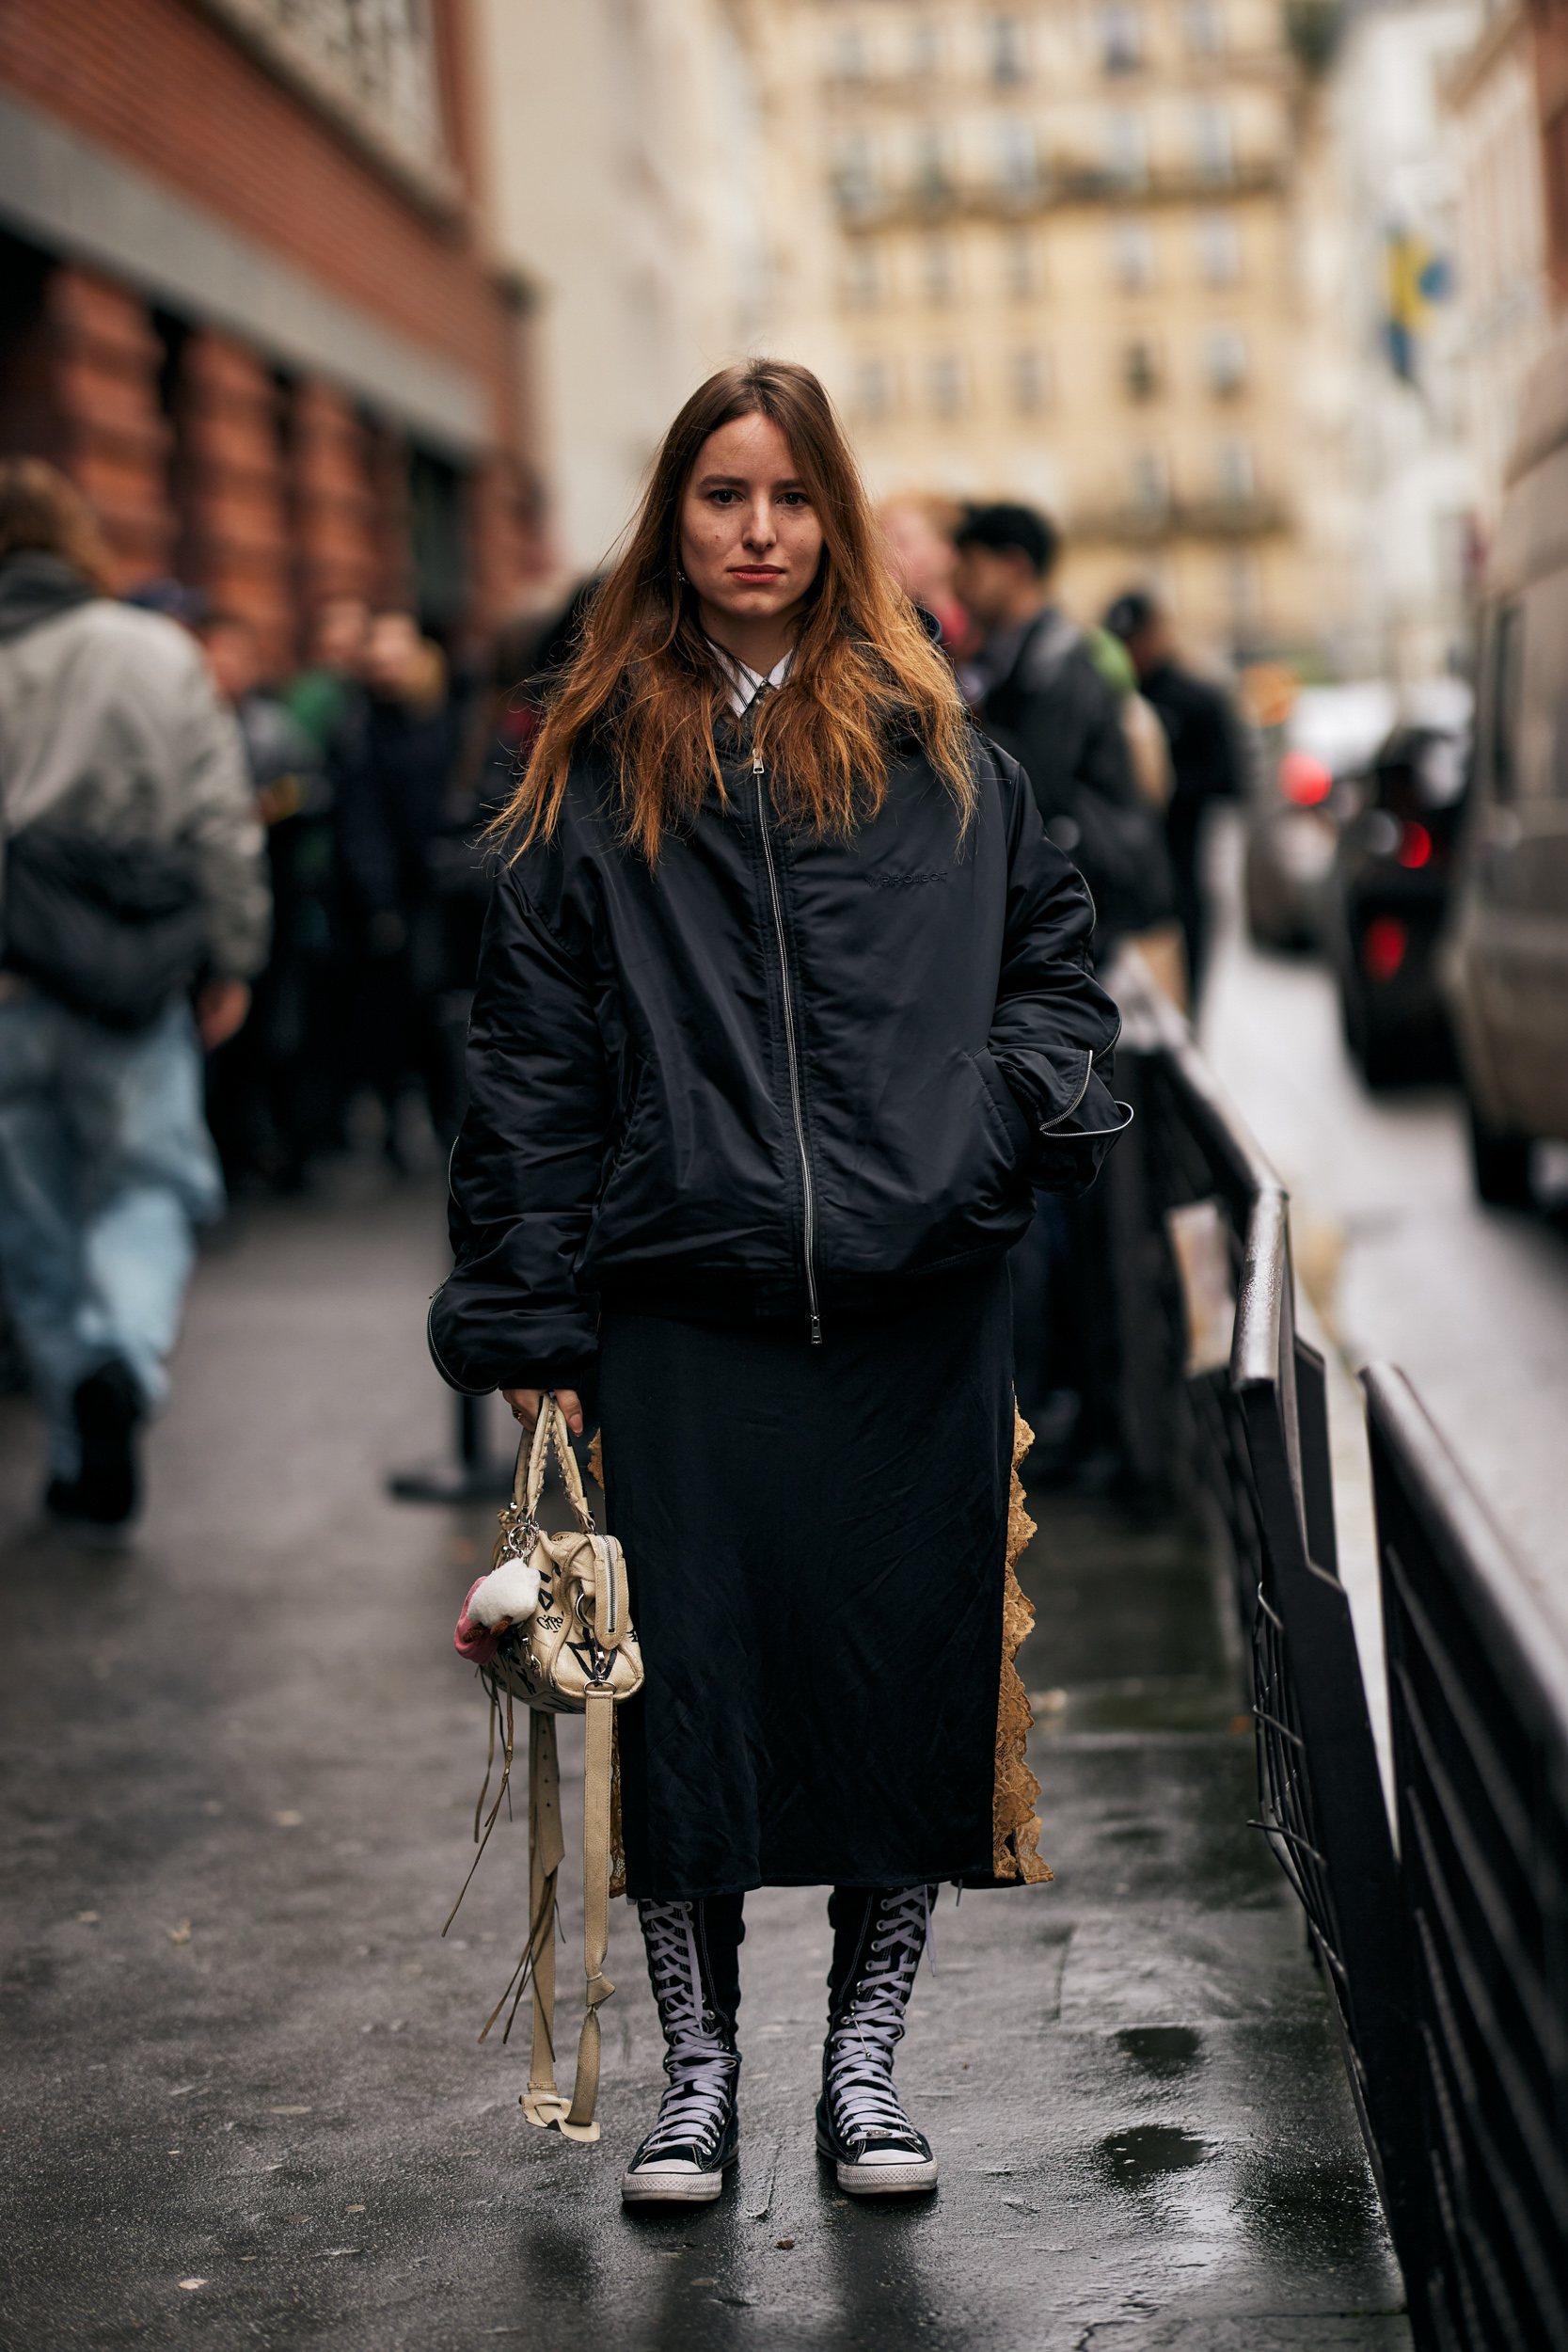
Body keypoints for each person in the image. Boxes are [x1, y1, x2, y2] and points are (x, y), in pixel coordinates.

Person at [429, 361, 1124, 2206]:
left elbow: (1056, 979)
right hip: (678, 1310)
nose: (754, 530)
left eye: (787, 497)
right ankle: (697, 2077)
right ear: (673, 518)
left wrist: (979, 1138)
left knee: (891, 1691)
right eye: (720, 495)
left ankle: (862, 2064)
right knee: (689, 1703)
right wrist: (526, 1316)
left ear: (830, 516)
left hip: (913, 1313)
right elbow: (526, 1058)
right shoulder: (588, 765)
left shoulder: (944, 755)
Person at [0, 459, 269, 1533]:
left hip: (11, 986)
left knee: (35, 1222)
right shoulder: (155, 653)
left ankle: (78, 1435)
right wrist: (234, 954)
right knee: (148, 1187)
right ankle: (121, 1364)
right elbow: (222, 818)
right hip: (132, 978)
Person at [952, 504, 1175, 961]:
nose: (961, 588)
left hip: (1100, 901)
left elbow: (1035, 785)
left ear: (1014, 567)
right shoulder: (1014, 655)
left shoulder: (1057, 663)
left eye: (972, 568)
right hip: (1088, 892)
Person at [197, 612, 334, 1188]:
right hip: (207, 908)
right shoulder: (190, 726)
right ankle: (228, 1159)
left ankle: (281, 1150)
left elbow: (319, 790)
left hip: (276, 897)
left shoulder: (273, 729)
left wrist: (277, 805)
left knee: (279, 1032)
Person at [331, 611, 464, 1157]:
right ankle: (401, 1119)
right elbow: (361, 821)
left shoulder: (447, 713)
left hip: (442, 885)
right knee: (395, 1014)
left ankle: (440, 1114)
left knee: (436, 1009)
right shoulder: (359, 728)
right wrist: (378, 897)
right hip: (394, 895)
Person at [1103, 589, 1245, 1006]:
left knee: (1185, 997)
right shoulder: (1107, 701)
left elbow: (1229, 779)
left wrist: (1162, 789)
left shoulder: (1195, 699)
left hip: (1183, 869)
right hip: (1128, 880)